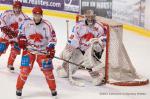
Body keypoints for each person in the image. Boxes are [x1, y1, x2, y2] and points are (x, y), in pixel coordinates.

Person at [57, 10, 107, 86]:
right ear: (85, 17)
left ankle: (97, 74)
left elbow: (105, 38)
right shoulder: (79, 25)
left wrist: (99, 41)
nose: (90, 19)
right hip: (79, 50)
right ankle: (63, 66)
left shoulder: (99, 26)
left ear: (94, 16)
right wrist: (69, 49)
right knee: (63, 74)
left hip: (90, 51)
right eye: (88, 17)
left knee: (95, 77)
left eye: (91, 17)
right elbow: (73, 38)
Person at [16, 6, 57, 98]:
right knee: (24, 70)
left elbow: (53, 38)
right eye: (35, 14)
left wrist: (50, 47)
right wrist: (21, 38)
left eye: (39, 14)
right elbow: (20, 33)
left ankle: (53, 89)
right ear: (33, 14)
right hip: (29, 50)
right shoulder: (26, 23)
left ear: (41, 15)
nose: (37, 16)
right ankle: (19, 88)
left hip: (43, 51)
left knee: (48, 71)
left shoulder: (47, 25)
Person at [0, 1, 28, 72]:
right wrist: (4, 28)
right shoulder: (7, 13)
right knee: (1, 48)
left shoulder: (25, 17)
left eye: (19, 8)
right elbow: (1, 20)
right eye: (16, 8)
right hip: (6, 35)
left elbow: (27, 28)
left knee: (15, 51)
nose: (17, 9)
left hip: (16, 38)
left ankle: (10, 64)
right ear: (13, 7)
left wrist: (21, 36)